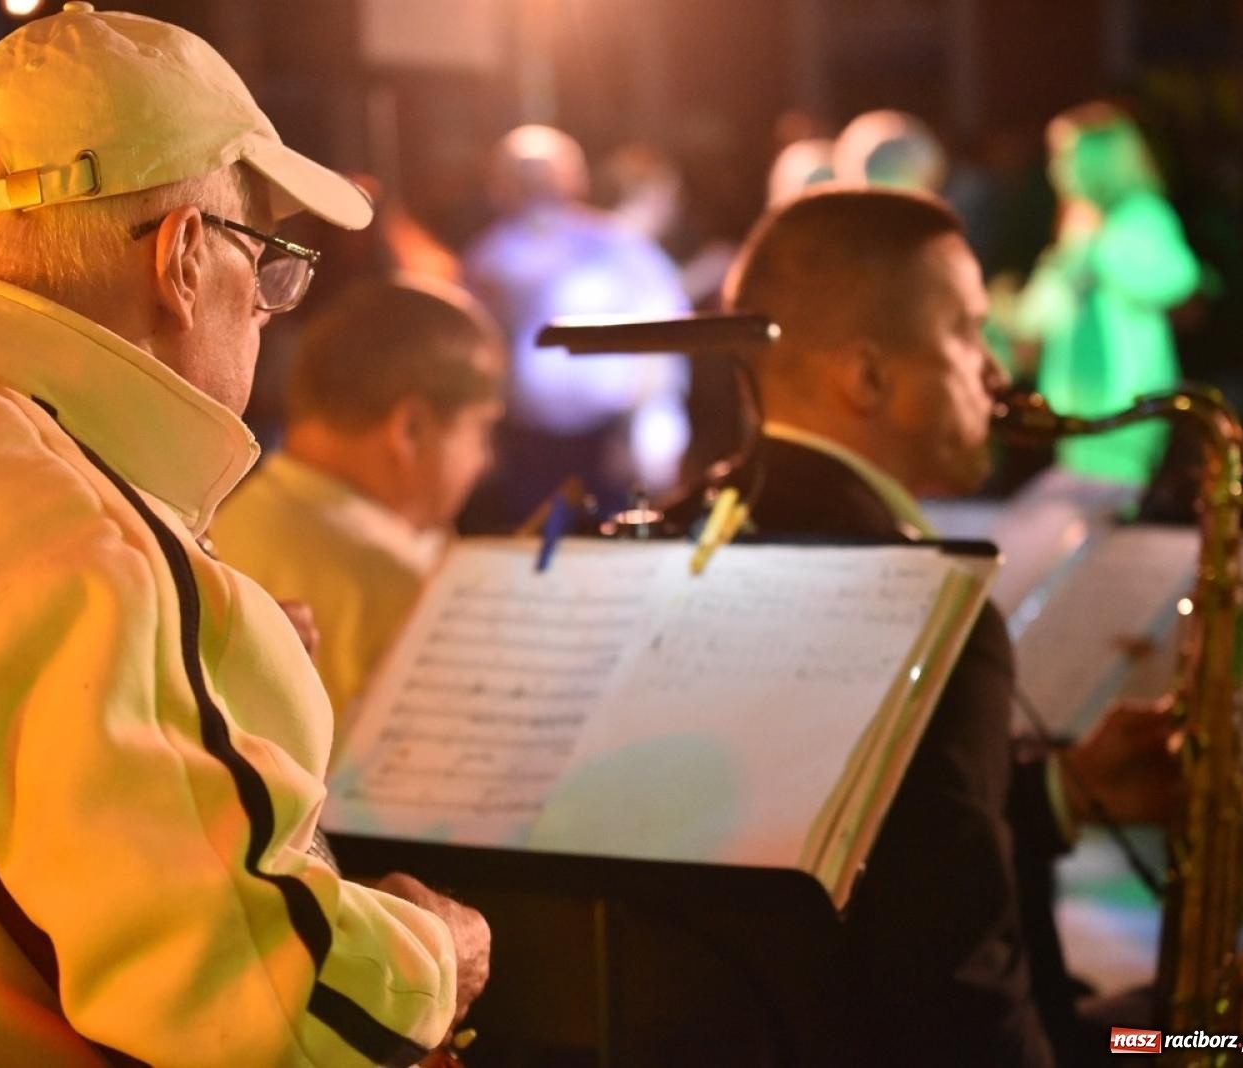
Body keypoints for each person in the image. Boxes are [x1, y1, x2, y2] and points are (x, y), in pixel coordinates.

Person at [0, 8, 488, 1066]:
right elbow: (261, 1010)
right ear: (185, 257)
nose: (270, 310)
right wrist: (440, 951)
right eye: (271, 261)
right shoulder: (71, 541)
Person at [660, 187, 1176, 1067]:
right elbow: (958, 987)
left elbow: (843, 840)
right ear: (867, 377)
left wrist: (1064, 793)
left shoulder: (682, 541)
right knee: (1207, 1037)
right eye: (967, 332)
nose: (996, 370)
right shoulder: (922, 610)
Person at [213, 276, 506, 731]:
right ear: (411, 428)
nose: (484, 461)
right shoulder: (407, 596)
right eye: (481, 430)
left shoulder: (222, 522)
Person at [463, 124, 691, 526]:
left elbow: (662, 335)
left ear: (575, 176)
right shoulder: (486, 256)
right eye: (522, 174)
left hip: (606, 445)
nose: (536, 185)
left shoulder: (617, 246)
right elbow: (475, 351)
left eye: (545, 172)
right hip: (526, 449)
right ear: (499, 183)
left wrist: (638, 433)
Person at [1011, 103, 1199, 487]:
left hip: (1123, 408)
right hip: (1074, 406)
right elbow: (1048, 305)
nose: (1054, 168)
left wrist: (1101, 245)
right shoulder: (1077, 223)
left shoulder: (1142, 217)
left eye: (1064, 155)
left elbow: (1176, 279)